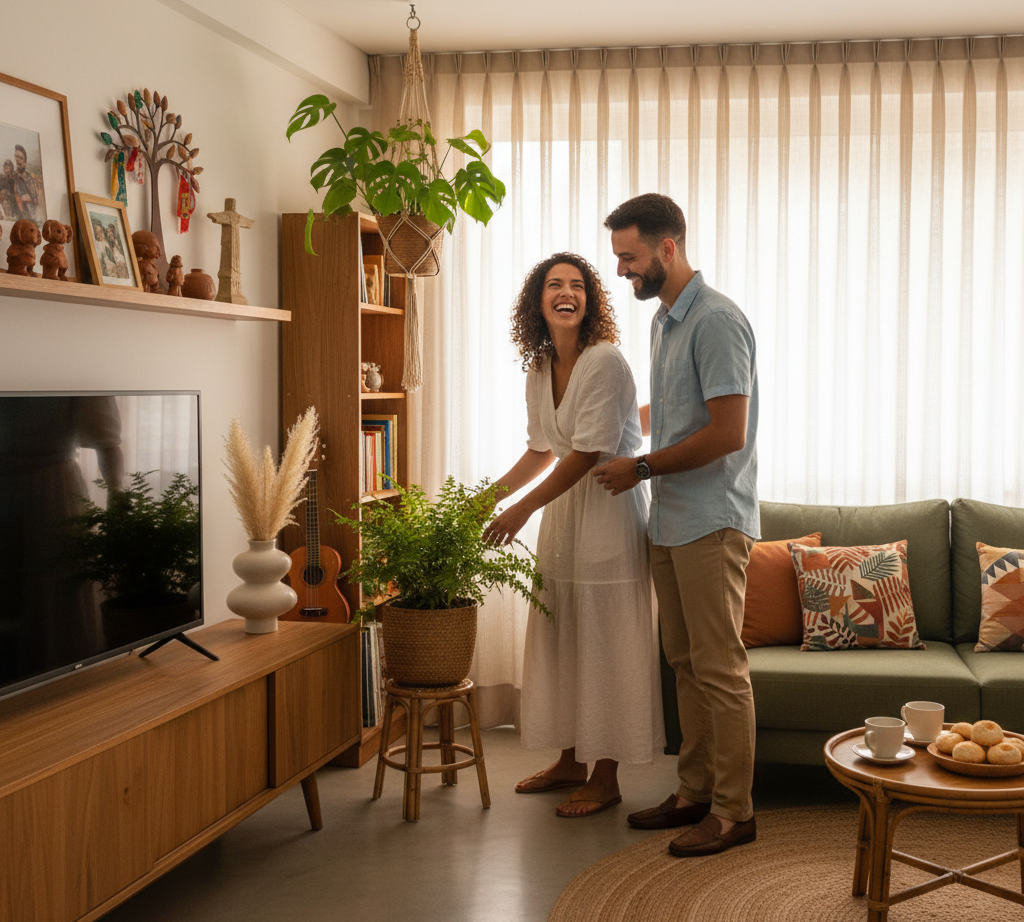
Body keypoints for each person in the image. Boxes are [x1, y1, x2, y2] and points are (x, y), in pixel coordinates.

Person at [593, 193, 760, 857]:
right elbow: (676, 410)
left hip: (712, 522)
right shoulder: (665, 321)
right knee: (685, 665)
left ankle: (733, 810)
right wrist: (609, 427)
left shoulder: (718, 322)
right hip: (670, 520)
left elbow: (726, 432)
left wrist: (639, 469)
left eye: (630, 258)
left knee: (719, 670)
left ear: (668, 248)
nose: (622, 272)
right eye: (618, 260)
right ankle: (693, 793)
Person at [484, 252, 664, 818]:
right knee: (563, 632)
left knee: (605, 641)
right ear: (537, 302)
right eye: (555, 285)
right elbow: (544, 449)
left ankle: (605, 775)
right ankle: (569, 761)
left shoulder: (605, 361)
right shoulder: (539, 365)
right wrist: (487, 498)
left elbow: (587, 452)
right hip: (564, 515)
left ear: (590, 301)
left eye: (578, 285)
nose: (567, 292)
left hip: (607, 511)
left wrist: (519, 512)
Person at [12, 144, 44, 226]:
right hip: (19, 219)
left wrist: (31, 199)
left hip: (34, 218)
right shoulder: (12, 178)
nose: (17, 160)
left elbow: (39, 199)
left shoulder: (32, 178)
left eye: (20, 157)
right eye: (16, 157)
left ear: (25, 161)